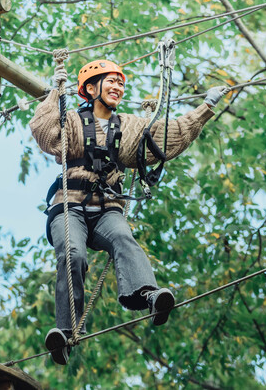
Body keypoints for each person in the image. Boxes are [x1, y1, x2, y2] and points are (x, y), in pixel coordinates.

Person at [29, 59, 227, 364]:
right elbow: (44, 132)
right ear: (91, 89)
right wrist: (57, 91)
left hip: (108, 207)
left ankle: (148, 295)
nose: (118, 88)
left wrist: (207, 106)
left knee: (123, 238)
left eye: (121, 83)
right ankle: (65, 333)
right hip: (69, 205)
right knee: (72, 254)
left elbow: (168, 137)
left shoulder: (130, 127)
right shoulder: (70, 121)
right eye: (111, 82)